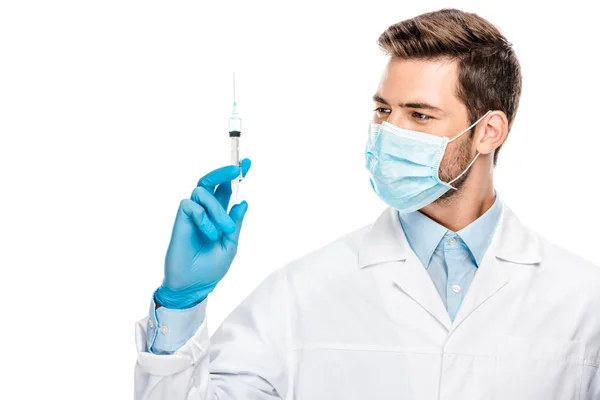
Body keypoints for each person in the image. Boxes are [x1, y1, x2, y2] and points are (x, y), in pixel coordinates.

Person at [134, 8, 600, 400]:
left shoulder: (582, 300)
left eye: (419, 115)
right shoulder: (300, 294)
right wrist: (180, 305)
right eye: (383, 110)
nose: (388, 133)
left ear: (488, 131)